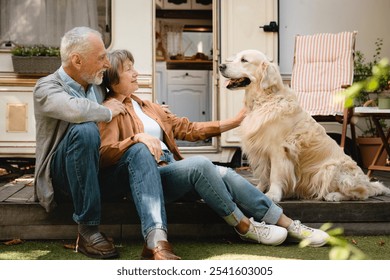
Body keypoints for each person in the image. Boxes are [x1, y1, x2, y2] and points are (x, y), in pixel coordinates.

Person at [98, 49, 330, 260]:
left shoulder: (148, 106)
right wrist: (136, 138)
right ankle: (245, 227)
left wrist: (234, 122)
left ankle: (289, 224)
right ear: (112, 77)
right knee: (200, 164)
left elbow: (187, 129)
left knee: (226, 175)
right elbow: (104, 154)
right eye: (128, 69)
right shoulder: (111, 110)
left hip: (170, 170)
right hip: (147, 178)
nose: (137, 73)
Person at [33, 26, 129, 259]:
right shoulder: (46, 88)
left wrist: (154, 111)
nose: (106, 63)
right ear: (77, 60)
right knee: (85, 129)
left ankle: (156, 233)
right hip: (60, 178)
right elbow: (75, 110)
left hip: (94, 170)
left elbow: (124, 77)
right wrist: (105, 111)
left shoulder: (95, 81)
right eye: (101, 57)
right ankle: (88, 230)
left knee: (136, 149)